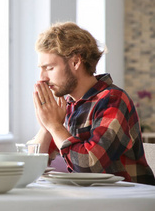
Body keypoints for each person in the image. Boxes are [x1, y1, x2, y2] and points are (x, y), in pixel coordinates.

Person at [30, 22, 155, 185]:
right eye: (41, 68)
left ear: (75, 62)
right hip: (92, 200)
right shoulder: (67, 105)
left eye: (49, 68)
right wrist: (46, 126)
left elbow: (88, 165)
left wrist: (54, 126)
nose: (42, 77)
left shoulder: (113, 100)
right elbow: (32, 166)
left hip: (130, 201)